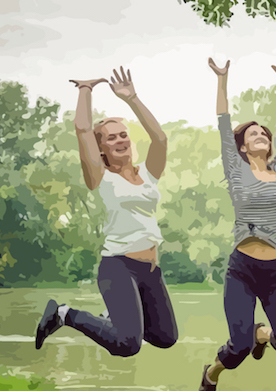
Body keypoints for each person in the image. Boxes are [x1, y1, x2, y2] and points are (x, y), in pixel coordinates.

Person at [35, 67, 178, 357]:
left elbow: (160, 139)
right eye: (111, 138)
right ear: (101, 149)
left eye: (123, 135)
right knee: (128, 345)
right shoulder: (101, 177)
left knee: (165, 338)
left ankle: (115, 318)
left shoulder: (148, 175)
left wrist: (132, 98)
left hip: (150, 269)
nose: (120, 141)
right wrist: (85, 90)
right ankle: (64, 314)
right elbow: (83, 130)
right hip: (118, 266)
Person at [199, 58, 276, 391]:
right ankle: (211, 374)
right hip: (242, 268)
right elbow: (223, 124)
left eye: (265, 135)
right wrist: (222, 80)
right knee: (238, 348)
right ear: (242, 147)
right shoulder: (237, 170)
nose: (262, 136)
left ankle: (263, 334)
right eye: (254, 133)